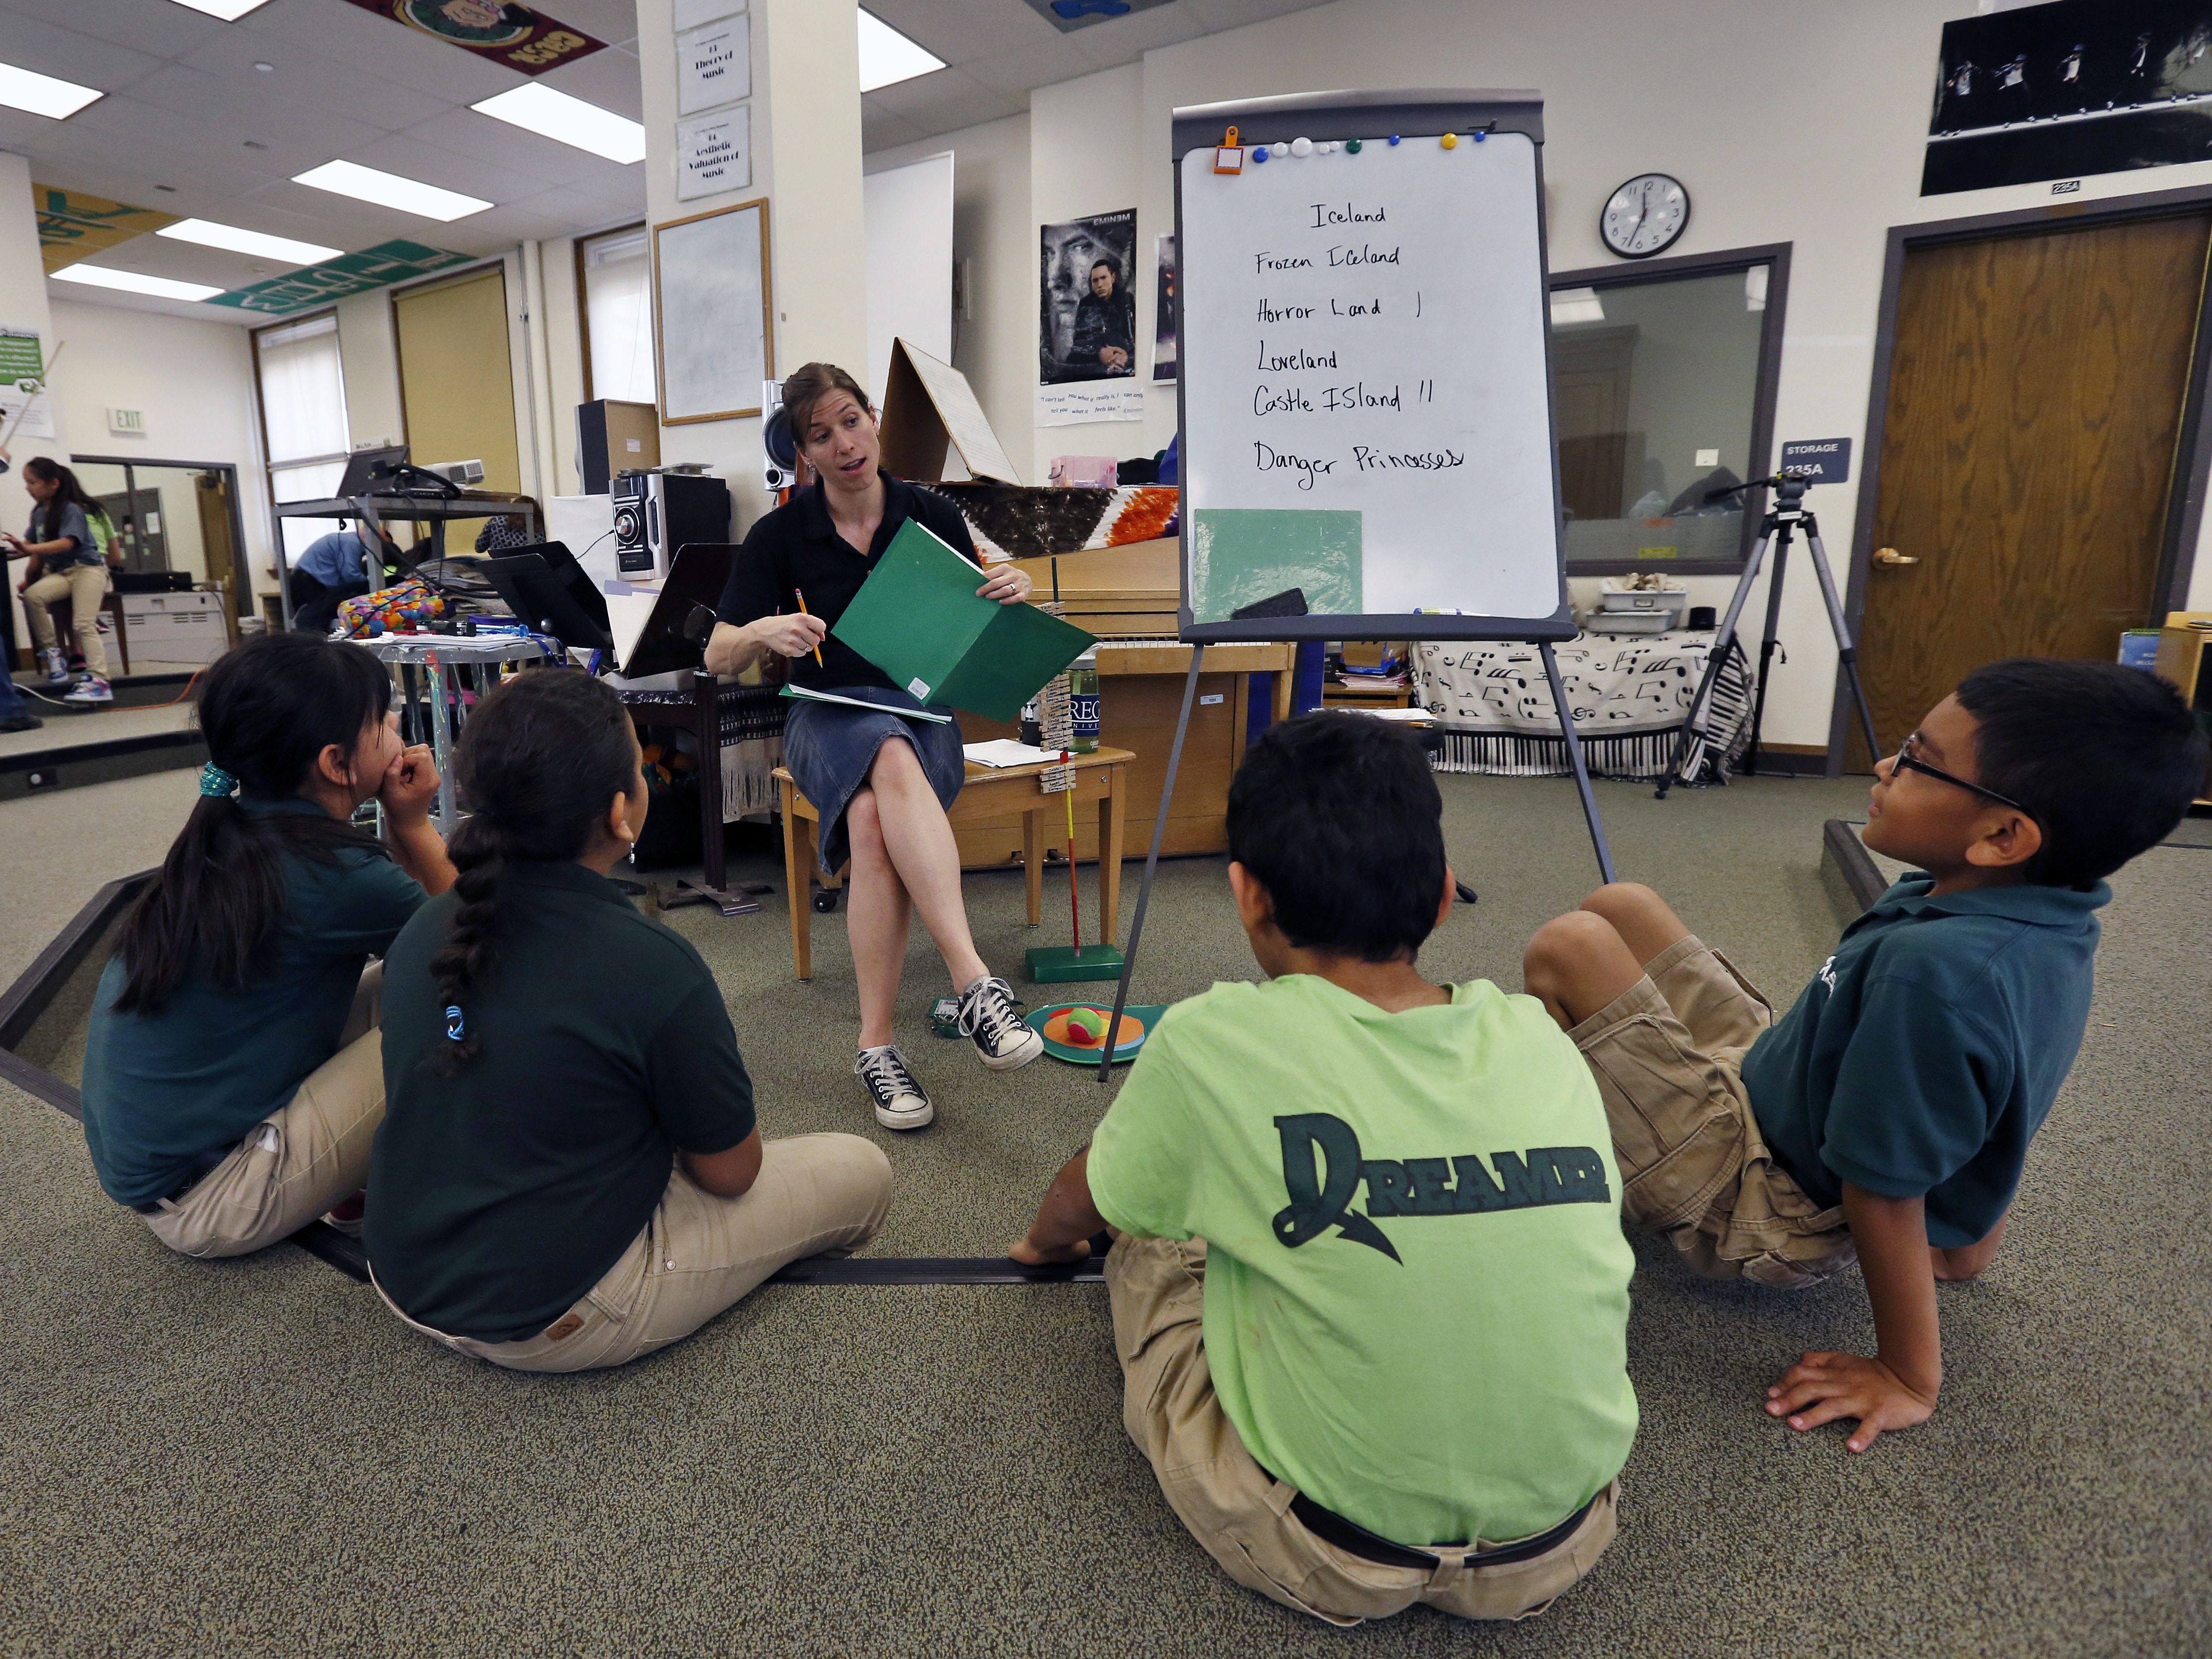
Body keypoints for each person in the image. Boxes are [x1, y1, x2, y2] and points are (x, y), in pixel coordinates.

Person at [1012, 713, 1636, 1627]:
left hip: (1324, 1551)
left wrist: (1040, 1242)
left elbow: (1087, 1199)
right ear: (1439, 898)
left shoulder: (1211, 1038)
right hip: (1561, 1540)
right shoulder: (1539, 1038)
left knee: (1152, 1236)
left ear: (1245, 895)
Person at [1523, 658, 2210, 1454]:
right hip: (1772, 1078)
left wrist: (1910, 1374)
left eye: (1917, 761)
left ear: (2002, 836)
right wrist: (1967, 1237)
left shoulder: (1939, 978)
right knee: (1621, 905)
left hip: (1768, 1200)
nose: (1885, 767)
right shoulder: (2011, 907)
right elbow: (1997, 1093)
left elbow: (1881, 1188)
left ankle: (1544, 1184)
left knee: (1568, 949)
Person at [365, 670, 893, 1372]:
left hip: (400, 1275)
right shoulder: (655, 963)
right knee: (863, 1170)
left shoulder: (422, 928)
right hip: (557, 1317)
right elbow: (732, 1172)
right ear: (621, 814)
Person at [705, 363, 1044, 1131]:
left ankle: (876, 1049)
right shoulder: (781, 532)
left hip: (923, 717)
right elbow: (719, 651)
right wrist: (761, 631)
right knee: (883, 756)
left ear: (874, 419)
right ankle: (974, 983)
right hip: (825, 715)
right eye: (821, 434)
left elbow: (979, 625)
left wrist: (1011, 589)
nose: (844, 443)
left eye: (851, 420)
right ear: (804, 455)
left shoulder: (933, 514)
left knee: (870, 821)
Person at [80, 633, 457, 1257]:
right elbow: (479, 946)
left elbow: (412, 935)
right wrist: (415, 824)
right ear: (337, 765)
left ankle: (347, 1170)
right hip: (215, 1201)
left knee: (414, 988)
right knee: (460, 1014)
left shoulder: (242, 829)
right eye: (380, 719)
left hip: (171, 1177)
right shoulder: (336, 873)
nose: (396, 724)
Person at [4, 457, 120, 706]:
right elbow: (30, 548)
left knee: (83, 624)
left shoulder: (71, 510)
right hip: (64, 573)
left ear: (53, 483)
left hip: (88, 570)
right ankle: (54, 653)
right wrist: (15, 551)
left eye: (32, 482)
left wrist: (30, 547)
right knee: (33, 596)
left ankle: (100, 681)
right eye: (26, 482)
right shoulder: (38, 514)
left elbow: (68, 543)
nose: (28, 488)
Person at [289, 520, 389, 634]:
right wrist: (374, 588)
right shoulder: (352, 543)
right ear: (373, 539)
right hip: (309, 583)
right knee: (314, 623)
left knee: (314, 622)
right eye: (382, 546)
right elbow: (350, 574)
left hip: (310, 580)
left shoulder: (349, 541)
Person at [1071, 257, 1135, 374]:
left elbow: (1138, 339)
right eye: (1095, 281)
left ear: (1113, 278)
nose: (1100, 285)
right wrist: (1099, 353)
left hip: (1126, 362)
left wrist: (1126, 356)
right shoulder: (1086, 305)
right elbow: (1079, 344)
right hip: (1095, 365)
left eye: (1103, 278)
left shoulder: (1127, 301)